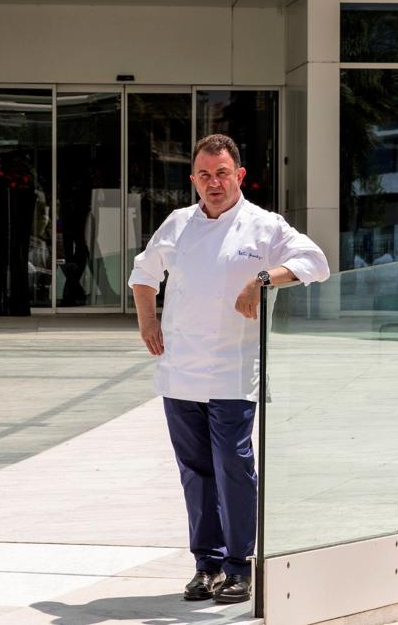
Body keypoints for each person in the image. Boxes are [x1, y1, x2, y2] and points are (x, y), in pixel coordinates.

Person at [127, 134, 329, 604]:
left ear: (239, 176)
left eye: (222, 173)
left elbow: (315, 262)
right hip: (180, 369)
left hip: (235, 371)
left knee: (233, 467)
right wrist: (148, 322)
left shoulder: (264, 225)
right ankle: (207, 564)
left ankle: (240, 566)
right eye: (204, 175)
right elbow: (143, 274)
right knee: (194, 471)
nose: (213, 183)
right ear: (193, 178)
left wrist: (263, 279)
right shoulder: (179, 223)